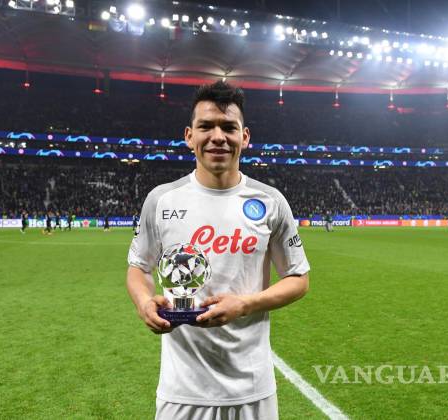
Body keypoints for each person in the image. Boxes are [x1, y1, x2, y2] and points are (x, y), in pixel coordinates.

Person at [126, 81, 310, 420]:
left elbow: (298, 278)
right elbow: (138, 266)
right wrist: (143, 302)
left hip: (252, 388)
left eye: (228, 127)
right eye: (206, 126)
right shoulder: (161, 200)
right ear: (189, 136)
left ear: (245, 136)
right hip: (181, 391)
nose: (217, 137)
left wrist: (245, 304)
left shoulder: (270, 202)